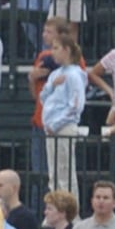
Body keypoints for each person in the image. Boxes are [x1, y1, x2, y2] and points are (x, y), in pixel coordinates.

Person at [41, 39, 87, 196]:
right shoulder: (55, 74)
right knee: (54, 173)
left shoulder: (75, 75)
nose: (52, 52)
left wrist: (56, 124)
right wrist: (52, 85)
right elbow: (43, 97)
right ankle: (56, 207)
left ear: (66, 50)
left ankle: (71, 212)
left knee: (65, 171)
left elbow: (75, 106)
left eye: (56, 48)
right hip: (50, 127)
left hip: (63, 127)